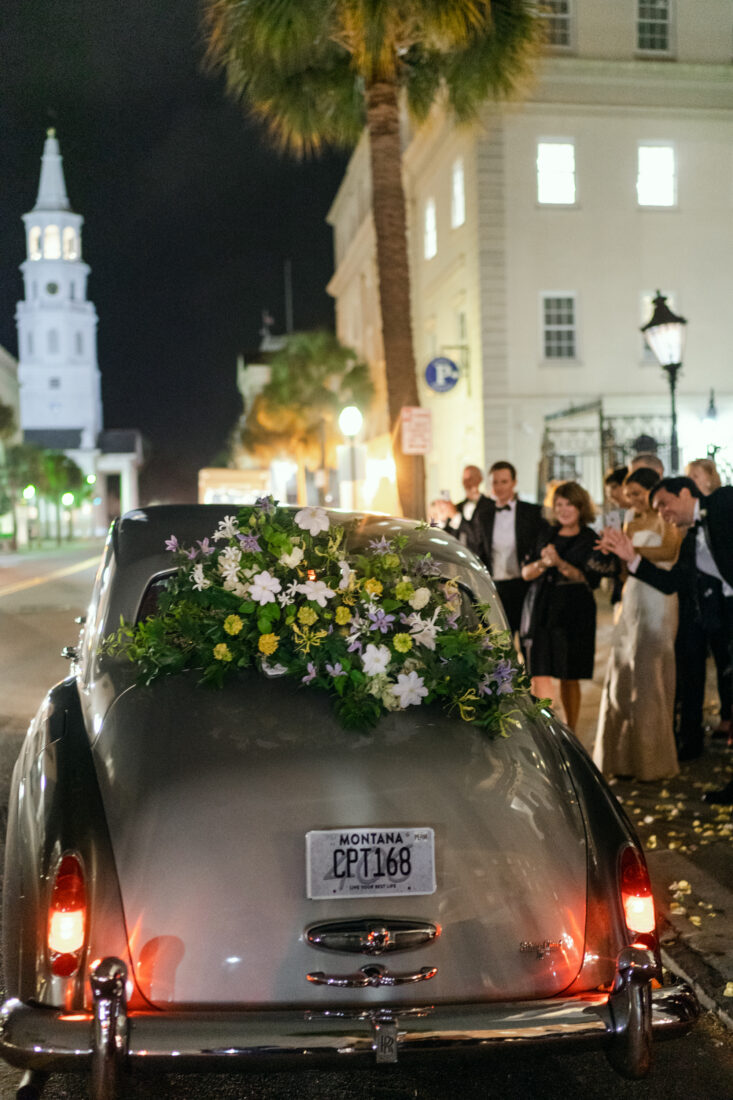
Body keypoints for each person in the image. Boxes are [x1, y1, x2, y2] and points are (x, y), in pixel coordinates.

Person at [598, 477, 733, 803]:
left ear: (685, 493)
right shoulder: (689, 539)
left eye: (663, 504)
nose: (662, 512)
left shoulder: (724, 502)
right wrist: (631, 558)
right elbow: (672, 582)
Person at [593, 468, 681, 781]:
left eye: (636, 493)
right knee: (623, 671)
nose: (631, 500)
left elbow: (671, 551)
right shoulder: (630, 519)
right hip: (632, 596)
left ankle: (653, 759)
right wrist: (614, 552)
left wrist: (632, 552)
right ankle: (623, 758)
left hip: (658, 598)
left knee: (649, 670)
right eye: (628, 494)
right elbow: (624, 567)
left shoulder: (665, 516)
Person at [520, 481, 601, 731]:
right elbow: (525, 572)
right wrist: (544, 564)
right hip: (541, 607)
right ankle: (546, 728)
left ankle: (571, 730)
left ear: (581, 507)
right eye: (559, 504)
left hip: (574, 611)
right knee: (539, 670)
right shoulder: (545, 534)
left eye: (570, 504)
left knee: (569, 673)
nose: (564, 509)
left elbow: (590, 579)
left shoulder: (589, 538)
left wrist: (560, 562)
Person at [441, 461, 548, 637]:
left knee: (528, 639)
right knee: (498, 639)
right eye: (495, 482)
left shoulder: (531, 513)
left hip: (525, 585)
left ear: (514, 482)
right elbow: (474, 545)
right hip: (494, 587)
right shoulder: (483, 514)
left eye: (504, 482)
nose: (499, 487)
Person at [434, 464, 493, 560]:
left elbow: (479, 538)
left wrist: (455, 516)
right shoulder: (458, 507)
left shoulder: (490, 506)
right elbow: (446, 537)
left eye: (471, 478)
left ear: (480, 479)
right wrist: (441, 519)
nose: (467, 483)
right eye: (464, 479)